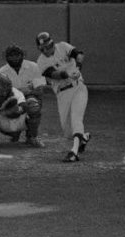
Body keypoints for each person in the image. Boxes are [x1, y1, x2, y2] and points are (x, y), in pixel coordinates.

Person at [35, 32, 91, 162]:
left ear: (52, 43)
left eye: (48, 46)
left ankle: (74, 152)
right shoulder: (41, 61)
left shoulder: (63, 47)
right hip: (62, 93)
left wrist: (78, 67)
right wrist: (69, 74)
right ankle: (84, 137)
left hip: (78, 88)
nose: (46, 50)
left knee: (76, 118)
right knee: (67, 131)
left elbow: (79, 55)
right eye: (43, 48)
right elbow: (54, 74)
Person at [0, 44, 49, 148]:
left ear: (23, 55)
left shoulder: (34, 66)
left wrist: (18, 92)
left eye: (17, 55)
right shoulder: (1, 72)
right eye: (11, 56)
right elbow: (0, 96)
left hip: (30, 98)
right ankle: (14, 133)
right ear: (6, 57)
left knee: (33, 105)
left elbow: (40, 90)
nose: (15, 58)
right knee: (2, 121)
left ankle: (32, 137)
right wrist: (26, 90)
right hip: (12, 102)